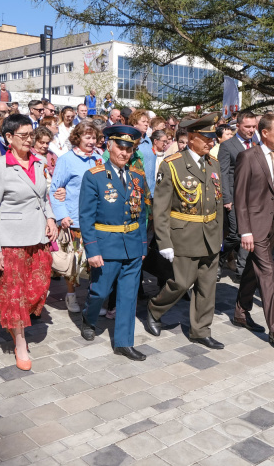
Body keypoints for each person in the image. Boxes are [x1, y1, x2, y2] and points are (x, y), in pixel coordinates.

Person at [0, 114, 57, 371]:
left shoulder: (38, 163)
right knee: (14, 293)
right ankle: (21, 342)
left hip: (38, 238)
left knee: (37, 288)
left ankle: (18, 324)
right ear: (8, 138)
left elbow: (43, 197)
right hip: (10, 240)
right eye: (23, 136)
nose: (29, 141)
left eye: (31, 135)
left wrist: (50, 218)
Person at [146, 113, 224, 349]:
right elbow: (160, 208)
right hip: (183, 234)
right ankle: (154, 308)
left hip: (210, 233)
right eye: (206, 138)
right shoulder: (172, 165)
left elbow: (218, 202)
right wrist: (164, 241)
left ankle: (201, 330)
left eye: (213, 138)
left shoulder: (214, 163)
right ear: (191, 138)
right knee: (180, 283)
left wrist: (219, 233)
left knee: (207, 286)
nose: (212, 142)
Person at [79, 125, 148, 361]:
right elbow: (86, 217)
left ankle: (123, 343)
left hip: (132, 244)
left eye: (129, 149)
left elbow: (143, 214)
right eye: (120, 147)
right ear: (109, 146)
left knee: (128, 297)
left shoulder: (138, 177)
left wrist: (142, 246)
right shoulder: (94, 176)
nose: (125, 153)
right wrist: (92, 249)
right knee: (100, 291)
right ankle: (88, 318)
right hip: (106, 245)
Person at [232, 114, 274, 347]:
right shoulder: (248, 157)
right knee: (268, 272)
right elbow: (240, 197)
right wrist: (245, 231)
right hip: (255, 227)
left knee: (254, 269)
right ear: (265, 133)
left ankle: (241, 312)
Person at [49, 121, 103, 312]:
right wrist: (62, 215)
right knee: (73, 261)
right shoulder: (66, 160)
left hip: (97, 219)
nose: (91, 141)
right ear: (77, 138)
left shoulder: (99, 159)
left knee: (94, 261)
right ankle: (71, 295)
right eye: (87, 137)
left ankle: (93, 297)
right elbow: (55, 190)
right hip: (74, 219)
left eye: (94, 137)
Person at [218, 110, 257, 280]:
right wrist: (226, 198)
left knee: (248, 233)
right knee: (234, 234)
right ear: (238, 126)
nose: (251, 130)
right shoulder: (228, 146)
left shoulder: (256, 145)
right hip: (234, 197)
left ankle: (241, 269)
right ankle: (218, 259)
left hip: (252, 198)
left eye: (254, 126)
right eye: (247, 126)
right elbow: (223, 173)